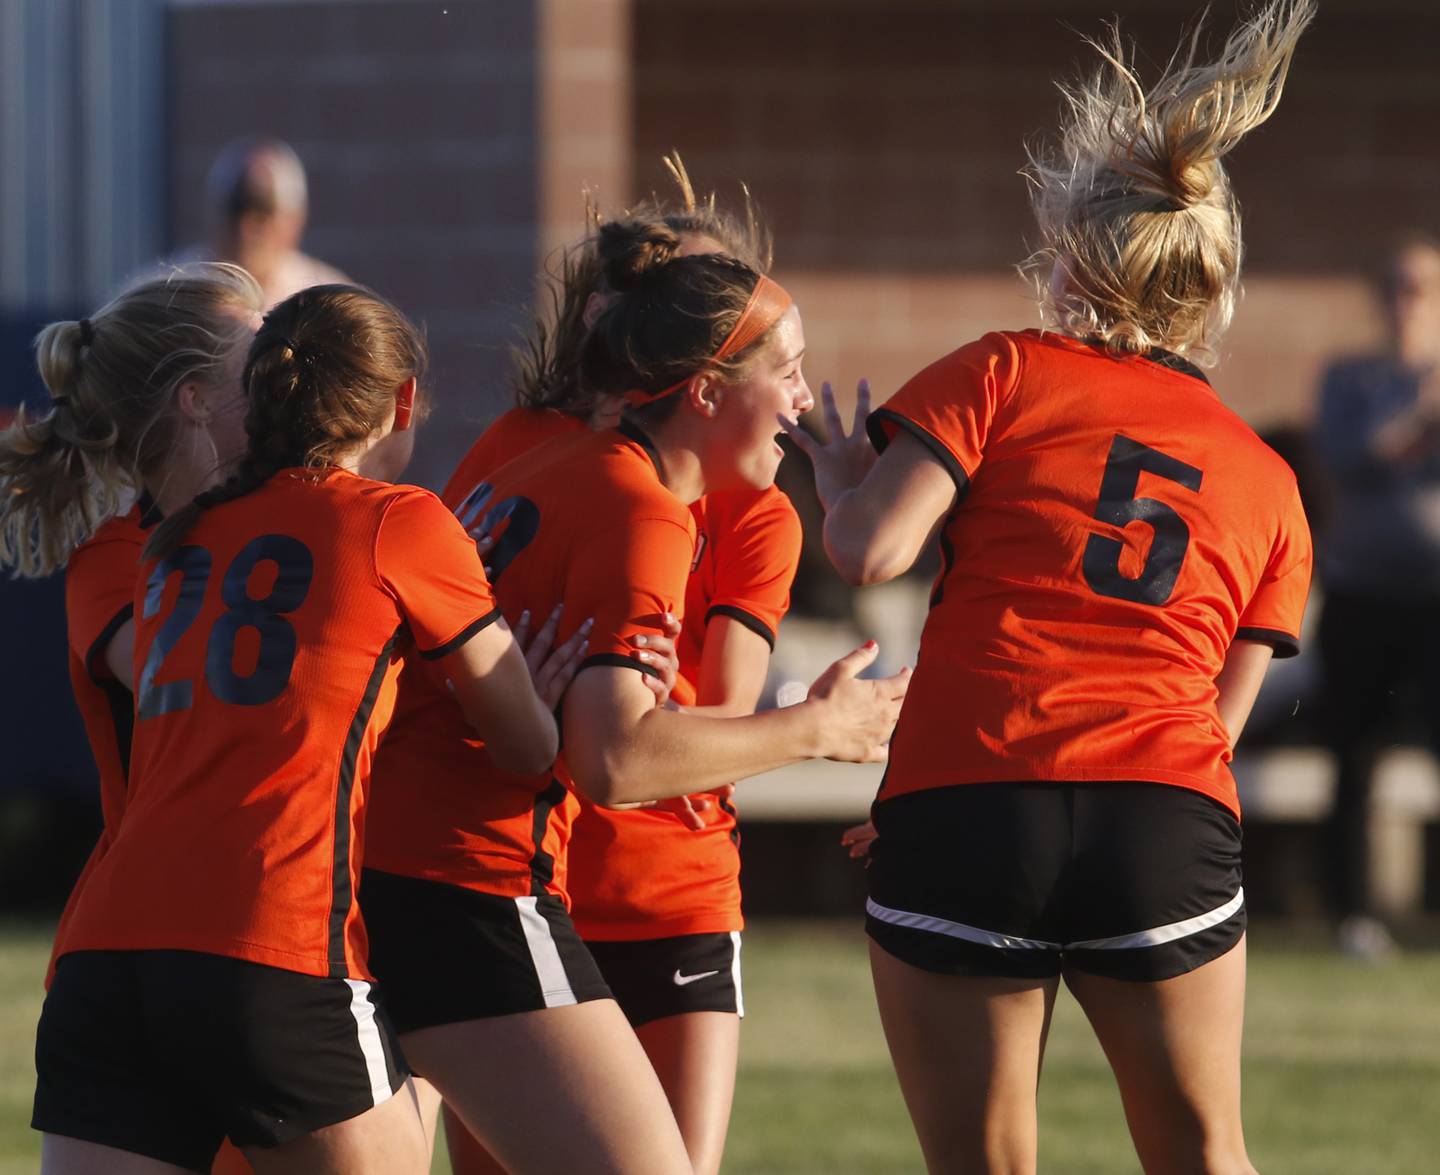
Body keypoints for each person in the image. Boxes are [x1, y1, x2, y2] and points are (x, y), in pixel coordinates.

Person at [783, 3, 1315, 1172]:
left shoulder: (1005, 369)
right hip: (1162, 813)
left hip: (973, 795)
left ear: (1075, 258)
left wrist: (837, 477)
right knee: (1206, 1153)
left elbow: (871, 553)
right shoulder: (1269, 477)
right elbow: (1216, 725)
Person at [360, 222, 908, 1175]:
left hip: (403, 869)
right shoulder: (642, 504)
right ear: (700, 388)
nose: (799, 399)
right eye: (783, 370)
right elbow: (615, 760)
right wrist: (822, 724)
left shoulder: (535, 451)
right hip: (474, 880)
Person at [30, 284, 584, 1175]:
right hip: (268, 938)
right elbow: (524, 747)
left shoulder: (175, 545)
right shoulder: (388, 520)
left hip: (114, 956)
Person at [438, 173, 800, 1175]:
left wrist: (592, 706)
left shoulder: (749, 503)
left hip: (671, 885)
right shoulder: (540, 455)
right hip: (522, 871)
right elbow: (445, 639)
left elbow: (716, 711)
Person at [0, 263, 264, 991]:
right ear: (195, 401)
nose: (285, 382)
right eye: (259, 365)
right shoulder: (116, 555)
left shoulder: (280, 519)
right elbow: (195, 675)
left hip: (255, 924)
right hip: (142, 943)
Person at [1312, 232, 1440, 959]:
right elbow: (1342, 458)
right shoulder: (1350, 380)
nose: (1406, 302)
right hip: (1361, 592)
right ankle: (1353, 915)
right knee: (1352, 755)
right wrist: (1416, 418)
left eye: (1420, 287)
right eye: (1396, 286)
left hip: (1434, 597)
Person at [178, 138, 348, 308]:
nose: (245, 230)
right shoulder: (175, 293)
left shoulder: (326, 302)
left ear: (294, 221)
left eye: (262, 214)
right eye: (235, 212)